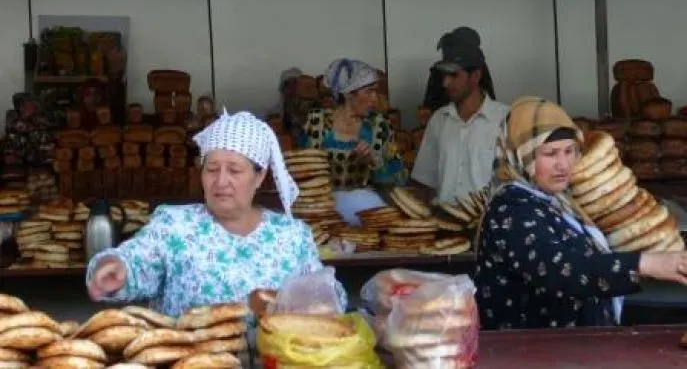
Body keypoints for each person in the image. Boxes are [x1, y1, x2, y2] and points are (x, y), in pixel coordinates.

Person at [86, 110, 346, 317]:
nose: (221, 181)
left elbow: (331, 298)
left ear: (259, 177)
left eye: (234, 170)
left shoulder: (292, 236)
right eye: (211, 169)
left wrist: (295, 301)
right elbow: (137, 260)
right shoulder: (175, 225)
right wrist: (117, 267)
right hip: (191, 358)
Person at [475, 97, 687, 330]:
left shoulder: (558, 200)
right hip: (533, 347)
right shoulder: (511, 208)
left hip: (573, 343)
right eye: (550, 154)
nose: (563, 164)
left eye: (570, 151)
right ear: (521, 155)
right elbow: (560, 270)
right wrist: (645, 264)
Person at [298, 58, 406, 225]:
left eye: (376, 92)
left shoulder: (379, 126)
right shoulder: (316, 122)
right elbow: (300, 172)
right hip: (322, 210)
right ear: (348, 93)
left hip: (366, 209)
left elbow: (396, 182)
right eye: (369, 92)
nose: (375, 99)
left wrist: (373, 163)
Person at [412, 27, 508, 203]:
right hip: (443, 217)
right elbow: (425, 182)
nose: (446, 83)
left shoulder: (505, 119)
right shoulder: (439, 120)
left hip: (489, 218)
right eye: (444, 75)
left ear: (475, 76)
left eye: (454, 75)